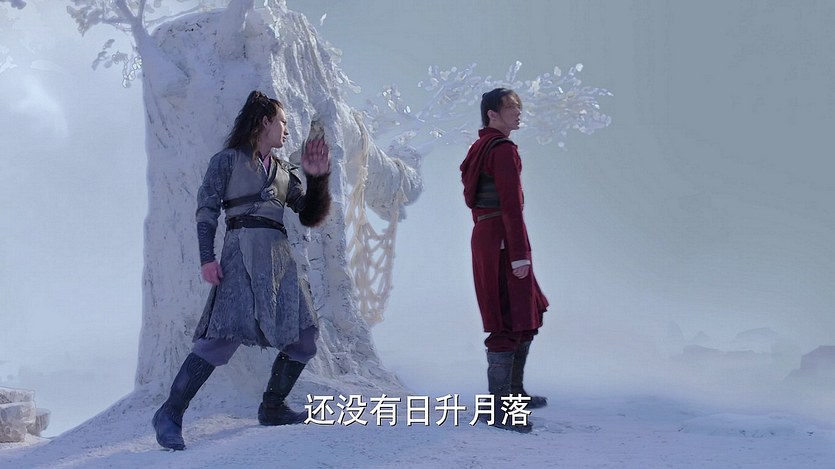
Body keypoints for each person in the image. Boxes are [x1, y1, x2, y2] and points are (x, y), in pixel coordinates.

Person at [152, 90, 331, 450]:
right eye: (281, 122)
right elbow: (206, 210)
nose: (286, 129)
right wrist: (207, 258)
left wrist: (317, 179)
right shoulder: (226, 161)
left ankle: (273, 406)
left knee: (304, 335)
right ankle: (170, 413)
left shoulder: (284, 172)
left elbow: (309, 214)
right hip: (240, 255)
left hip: (278, 260)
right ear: (264, 122)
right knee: (220, 338)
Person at [460, 88, 550, 433]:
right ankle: (500, 409)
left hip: (490, 236)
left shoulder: (481, 147)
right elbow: (510, 204)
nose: (518, 111)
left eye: (519, 106)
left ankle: (513, 394)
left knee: (528, 312)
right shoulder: (501, 149)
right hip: (501, 240)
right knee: (507, 320)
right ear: (492, 114)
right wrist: (518, 254)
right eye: (511, 106)